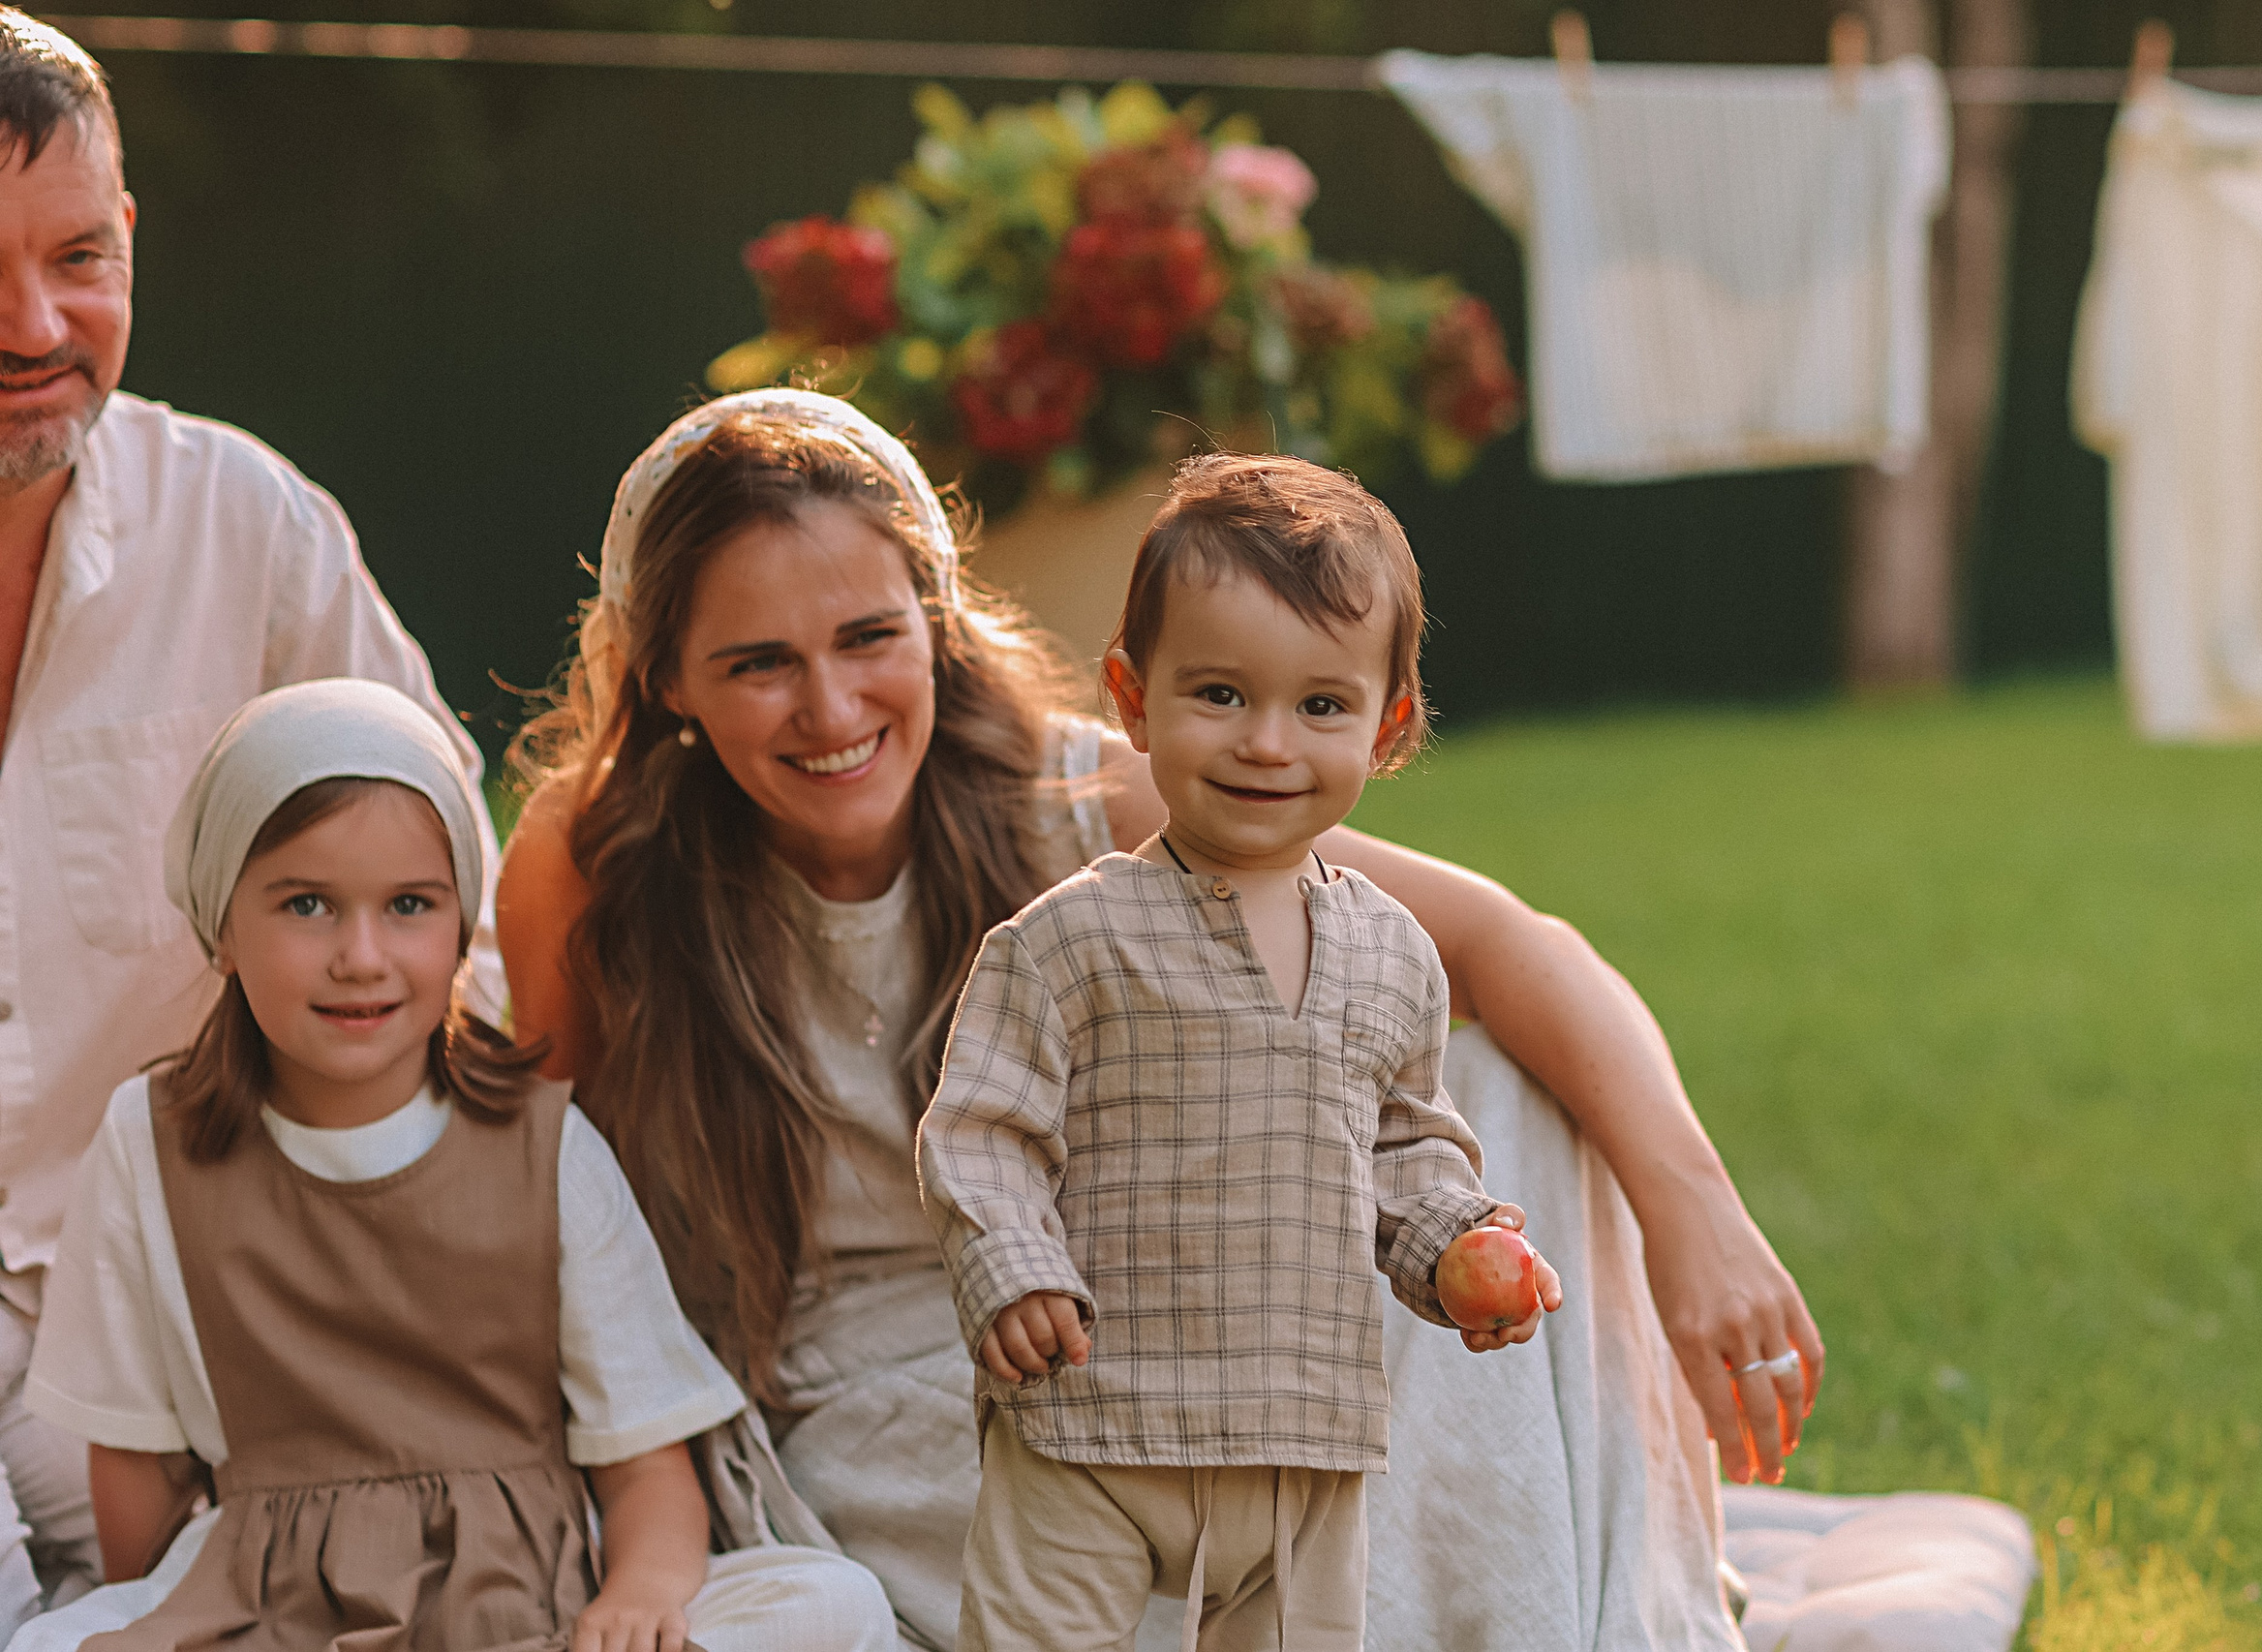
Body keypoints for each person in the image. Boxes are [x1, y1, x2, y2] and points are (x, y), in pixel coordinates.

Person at [498, 389, 1819, 1652]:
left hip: (1168, 1304)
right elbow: (554, 1209)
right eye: (757, 664)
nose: (832, 710)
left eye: (867, 638)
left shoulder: (1068, 803)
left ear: (934, 616)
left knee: (1498, 1091)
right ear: (667, 675)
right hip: (879, 1408)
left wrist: (1695, 1217)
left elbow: (1507, 940)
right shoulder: (597, 861)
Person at [9, 679, 894, 1652]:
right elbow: (135, 1466)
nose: (361, 954)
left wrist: (634, 1599)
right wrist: (159, 1616)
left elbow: (647, 1465)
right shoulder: (153, 1138)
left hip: (529, 1599)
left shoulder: (540, 1141)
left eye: (409, 906)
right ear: (222, 924)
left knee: (829, 1601)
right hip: (268, 1605)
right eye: (307, 903)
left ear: (458, 925)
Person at [0, 14, 497, 1632]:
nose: (34, 324)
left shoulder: (250, 530)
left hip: (176, 1278)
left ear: (129, 235)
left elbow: (450, 919)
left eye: (78, 256)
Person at [919, 454, 1560, 1651]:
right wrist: (1011, 1263)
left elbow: (1405, 1144)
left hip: (1300, 1429)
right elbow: (982, 1127)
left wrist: (1458, 1242)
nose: (1267, 741)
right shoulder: (1065, 939)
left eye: (1320, 705)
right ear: (1130, 696)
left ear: (1388, 728)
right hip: (1092, 1416)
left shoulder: (1394, 956)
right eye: (1218, 693)